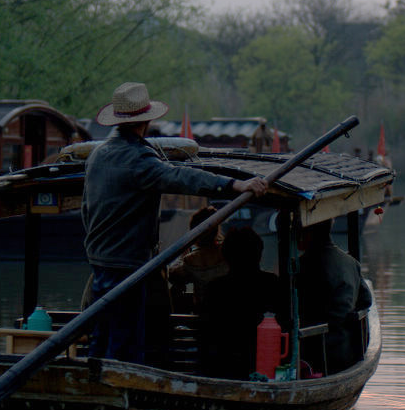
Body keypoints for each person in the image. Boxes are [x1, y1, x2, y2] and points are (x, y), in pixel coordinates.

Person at [82, 82, 267, 364]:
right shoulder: (138, 159)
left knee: (103, 335)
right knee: (124, 341)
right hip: (128, 266)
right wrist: (235, 184)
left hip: (100, 260)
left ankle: (95, 382)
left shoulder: (97, 155)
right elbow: (184, 178)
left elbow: (86, 209)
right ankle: (119, 392)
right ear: (146, 120)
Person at [198, 226, 290, 379]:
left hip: (222, 371)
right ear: (259, 255)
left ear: (226, 256)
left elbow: (206, 340)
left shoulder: (215, 289)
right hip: (266, 369)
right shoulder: (272, 285)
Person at [297, 220, 371, 373]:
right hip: (347, 350)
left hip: (314, 355)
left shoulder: (303, 265)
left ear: (308, 233)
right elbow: (366, 300)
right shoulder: (351, 262)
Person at [167, 205, 229, 311]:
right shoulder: (228, 252)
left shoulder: (191, 260)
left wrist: (184, 252)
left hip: (203, 314)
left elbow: (173, 275)